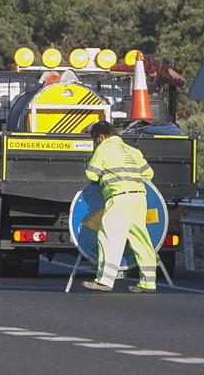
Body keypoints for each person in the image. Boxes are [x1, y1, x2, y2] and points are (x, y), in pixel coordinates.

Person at [81, 120, 158, 293]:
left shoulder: (103, 148)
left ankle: (105, 280)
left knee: (107, 235)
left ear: (100, 136)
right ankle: (148, 282)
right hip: (139, 197)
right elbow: (148, 173)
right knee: (140, 238)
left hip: (119, 197)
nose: (96, 144)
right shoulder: (133, 150)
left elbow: (92, 175)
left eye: (95, 140)